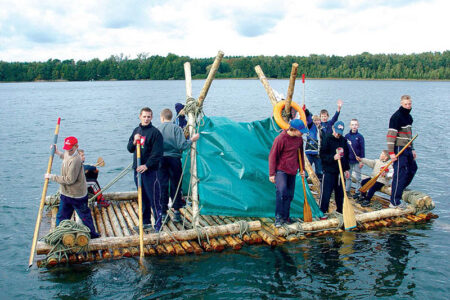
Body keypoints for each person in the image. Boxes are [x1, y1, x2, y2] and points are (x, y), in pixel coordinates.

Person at [45, 136, 100, 239]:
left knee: (85, 216)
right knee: (61, 216)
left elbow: (70, 180)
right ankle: (59, 235)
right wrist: (57, 152)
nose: (68, 151)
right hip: (65, 194)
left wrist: (52, 177)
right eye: (67, 148)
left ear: (76, 147)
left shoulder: (76, 160)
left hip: (77, 196)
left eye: (71, 149)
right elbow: (64, 156)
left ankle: (93, 234)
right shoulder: (68, 152)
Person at [158, 108, 199, 222]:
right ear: (171, 117)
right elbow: (182, 146)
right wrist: (192, 139)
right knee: (176, 185)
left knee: (163, 186)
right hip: (174, 159)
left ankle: (163, 213)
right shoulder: (176, 128)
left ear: (162, 118)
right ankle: (176, 212)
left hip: (161, 160)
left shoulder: (157, 129)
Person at [127, 107, 164, 232]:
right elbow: (129, 148)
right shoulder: (136, 131)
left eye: (148, 116)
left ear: (152, 117)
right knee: (142, 197)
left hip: (150, 171)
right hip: (137, 170)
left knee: (154, 198)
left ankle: (158, 224)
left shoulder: (155, 133)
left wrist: (146, 165)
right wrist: (134, 141)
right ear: (140, 116)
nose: (146, 119)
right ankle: (146, 222)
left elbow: (157, 154)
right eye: (144, 116)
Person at [269, 119, 308, 227]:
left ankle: (286, 217)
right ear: (294, 129)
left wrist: (302, 169)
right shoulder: (281, 139)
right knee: (282, 192)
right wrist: (272, 174)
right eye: (301, 131)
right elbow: (272, 156)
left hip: (292, 170)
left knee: (289, 195)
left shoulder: (299, 140)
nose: (302, 133)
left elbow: (300, 155)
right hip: (281, 170)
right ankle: (278, 218)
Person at [386, 95, 417, 208]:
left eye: (409, 104)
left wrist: (412, 149)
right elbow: (390, 136)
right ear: (401, 104)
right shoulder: (396, 117)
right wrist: (391, 153)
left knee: (413, 168)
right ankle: (394, 201)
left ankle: (399, 189)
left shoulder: (409, 117)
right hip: (399, 148)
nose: (408, 106)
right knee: (399, 174)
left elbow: (409, 135)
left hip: (407, 148)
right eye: (406, 104)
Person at [319, 121, 350, 217]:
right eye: (336, 131)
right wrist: (333, 157)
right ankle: (322, 212)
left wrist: (346, 169)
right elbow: (322, 155)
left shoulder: (343, 141)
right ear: (333, 128)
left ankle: (340, 211)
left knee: (340, 193)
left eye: (339, 132)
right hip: (329, 171)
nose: (337, 134)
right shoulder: (327, 139)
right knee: (326, 193)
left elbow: (346, 156)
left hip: (340, 172)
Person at [344, 119, 365, 198]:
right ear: (350, 126)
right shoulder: (347, 136)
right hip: (349, 160)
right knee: (348, 176)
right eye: (352, 125)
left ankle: (357, 192)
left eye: (356, 125)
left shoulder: (360, 137)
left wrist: (362, 161)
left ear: (358, 126)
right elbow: (345, 149)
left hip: (357, 161)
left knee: (358, 177)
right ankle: (347, 190)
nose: (354, 126)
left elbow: (362, 149)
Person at [304, 113, 323, 179]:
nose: (317, 122)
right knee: (306, 170)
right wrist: (306, 111)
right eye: (315, 120)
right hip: (310, 152)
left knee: (319, 171)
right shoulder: (311, 126)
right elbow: (309, 119)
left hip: (318, 153)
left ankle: (320, 184)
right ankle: (305, 183)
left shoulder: (321, 129)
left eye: (318, 120)